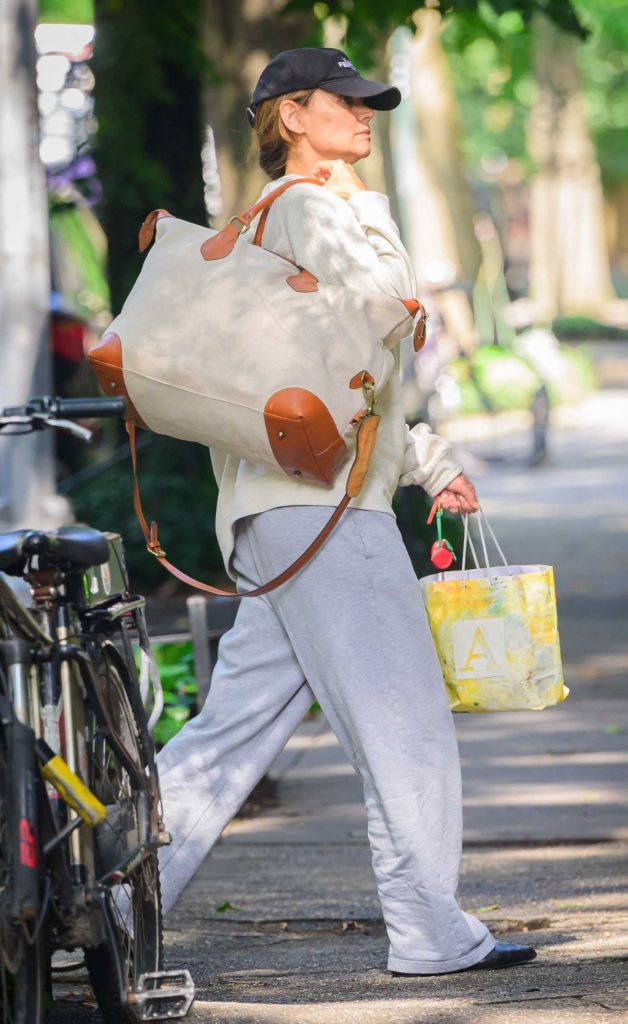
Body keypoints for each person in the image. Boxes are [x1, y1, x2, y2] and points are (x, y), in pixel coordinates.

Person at [153, 47, 536, 976]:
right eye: (345, 102)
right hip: (326, 520)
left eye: (371, 102)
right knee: (404, 723)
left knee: (226, 735)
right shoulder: (319, 208)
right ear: (292, 116)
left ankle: (102, 904)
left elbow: (348, 391)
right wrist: (372, 209)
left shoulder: (263, 223)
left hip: (279, 513)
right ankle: (428, 930)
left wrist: (431, 461)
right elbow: (390, 311)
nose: (366, 117)